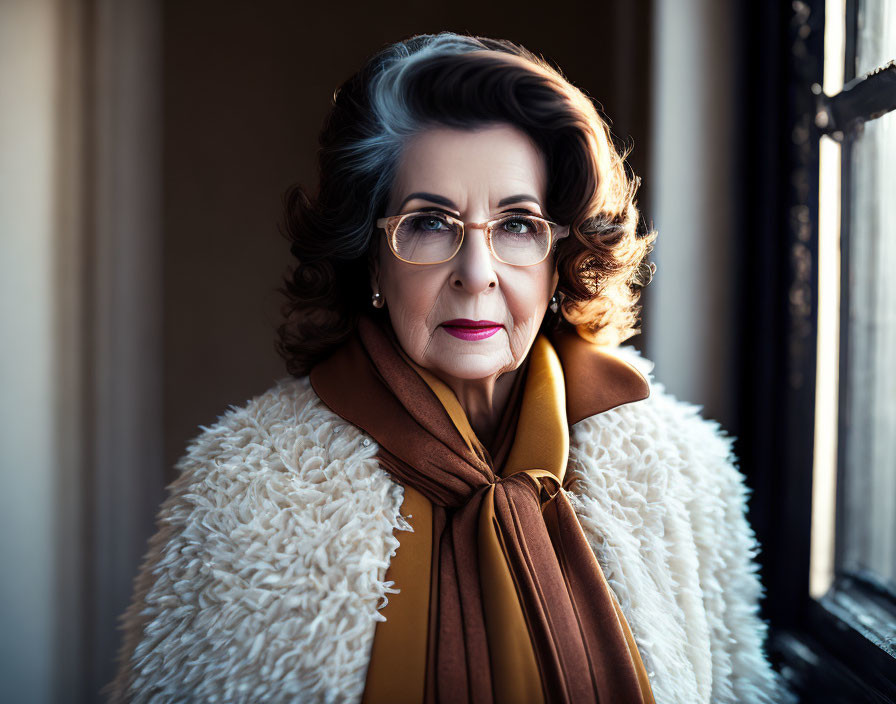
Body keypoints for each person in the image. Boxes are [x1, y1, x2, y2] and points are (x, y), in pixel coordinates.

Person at [105, 32, 795, 703]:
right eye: (430, 223)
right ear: (370, 260)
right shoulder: (241, 491)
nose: (476, 273)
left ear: (562, 261)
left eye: (518, 225)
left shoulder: (681, 469)